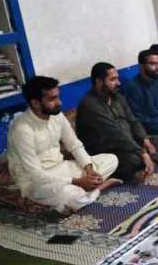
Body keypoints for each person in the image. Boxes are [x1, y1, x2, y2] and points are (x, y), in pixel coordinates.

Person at [7, 76, 119, 213]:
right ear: (35, 103)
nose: (59, 102)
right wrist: (77, 181)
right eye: (52, 99)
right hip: (37, 182)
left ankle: (85, 190)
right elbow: (35, 174)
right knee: (69, 195)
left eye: (58, 97)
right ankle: (97, 189)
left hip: (63, 168)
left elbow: (74, 145)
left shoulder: (57, 115)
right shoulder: (22, 130)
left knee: (111, 159)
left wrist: (89, 170)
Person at [76, 62, 158, 184]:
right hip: (108, 150)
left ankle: (143, 166)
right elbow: (114, 134)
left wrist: (145, 140)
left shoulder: (117, 97)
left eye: (117, 78)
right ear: (99, 82)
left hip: (130, 142)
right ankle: (138, 166)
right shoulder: (90, 104)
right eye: (112, 79)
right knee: (133, 159)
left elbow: (133, 121)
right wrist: (142, 153)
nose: (118, 83)